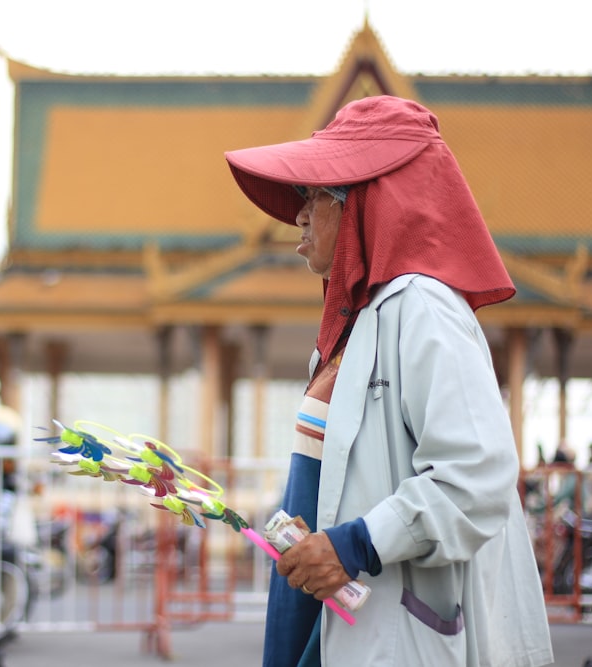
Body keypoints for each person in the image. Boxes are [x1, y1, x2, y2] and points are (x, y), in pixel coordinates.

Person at [224, 96, 552, 666]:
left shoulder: (422, 307)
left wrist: (354, 543)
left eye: (315, 195)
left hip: (397, 631)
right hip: (332, 618)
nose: (299, 215)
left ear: (365, 203)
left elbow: (477, 475)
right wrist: (323, 530)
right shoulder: (356, 325)